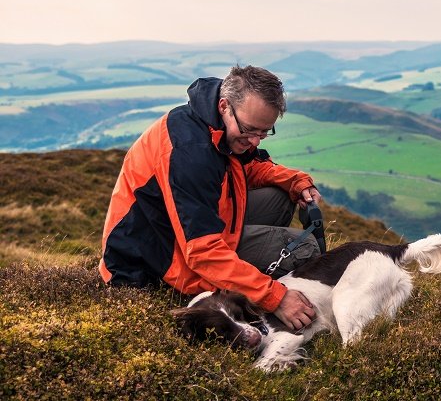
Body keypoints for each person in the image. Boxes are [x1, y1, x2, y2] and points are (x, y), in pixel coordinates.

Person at [99, 65, 321, 330]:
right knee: (305, 249)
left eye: (264, 132)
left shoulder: (218, 124)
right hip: (154, 261)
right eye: (250, 130)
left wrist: (294, 180)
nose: (256, 142)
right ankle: (265, 296)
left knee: (279, 196)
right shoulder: (190, 152)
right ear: (225, 106)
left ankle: (248, 274)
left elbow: (249, 166)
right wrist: (276, 297)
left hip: (190, 232)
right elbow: (202, 251)